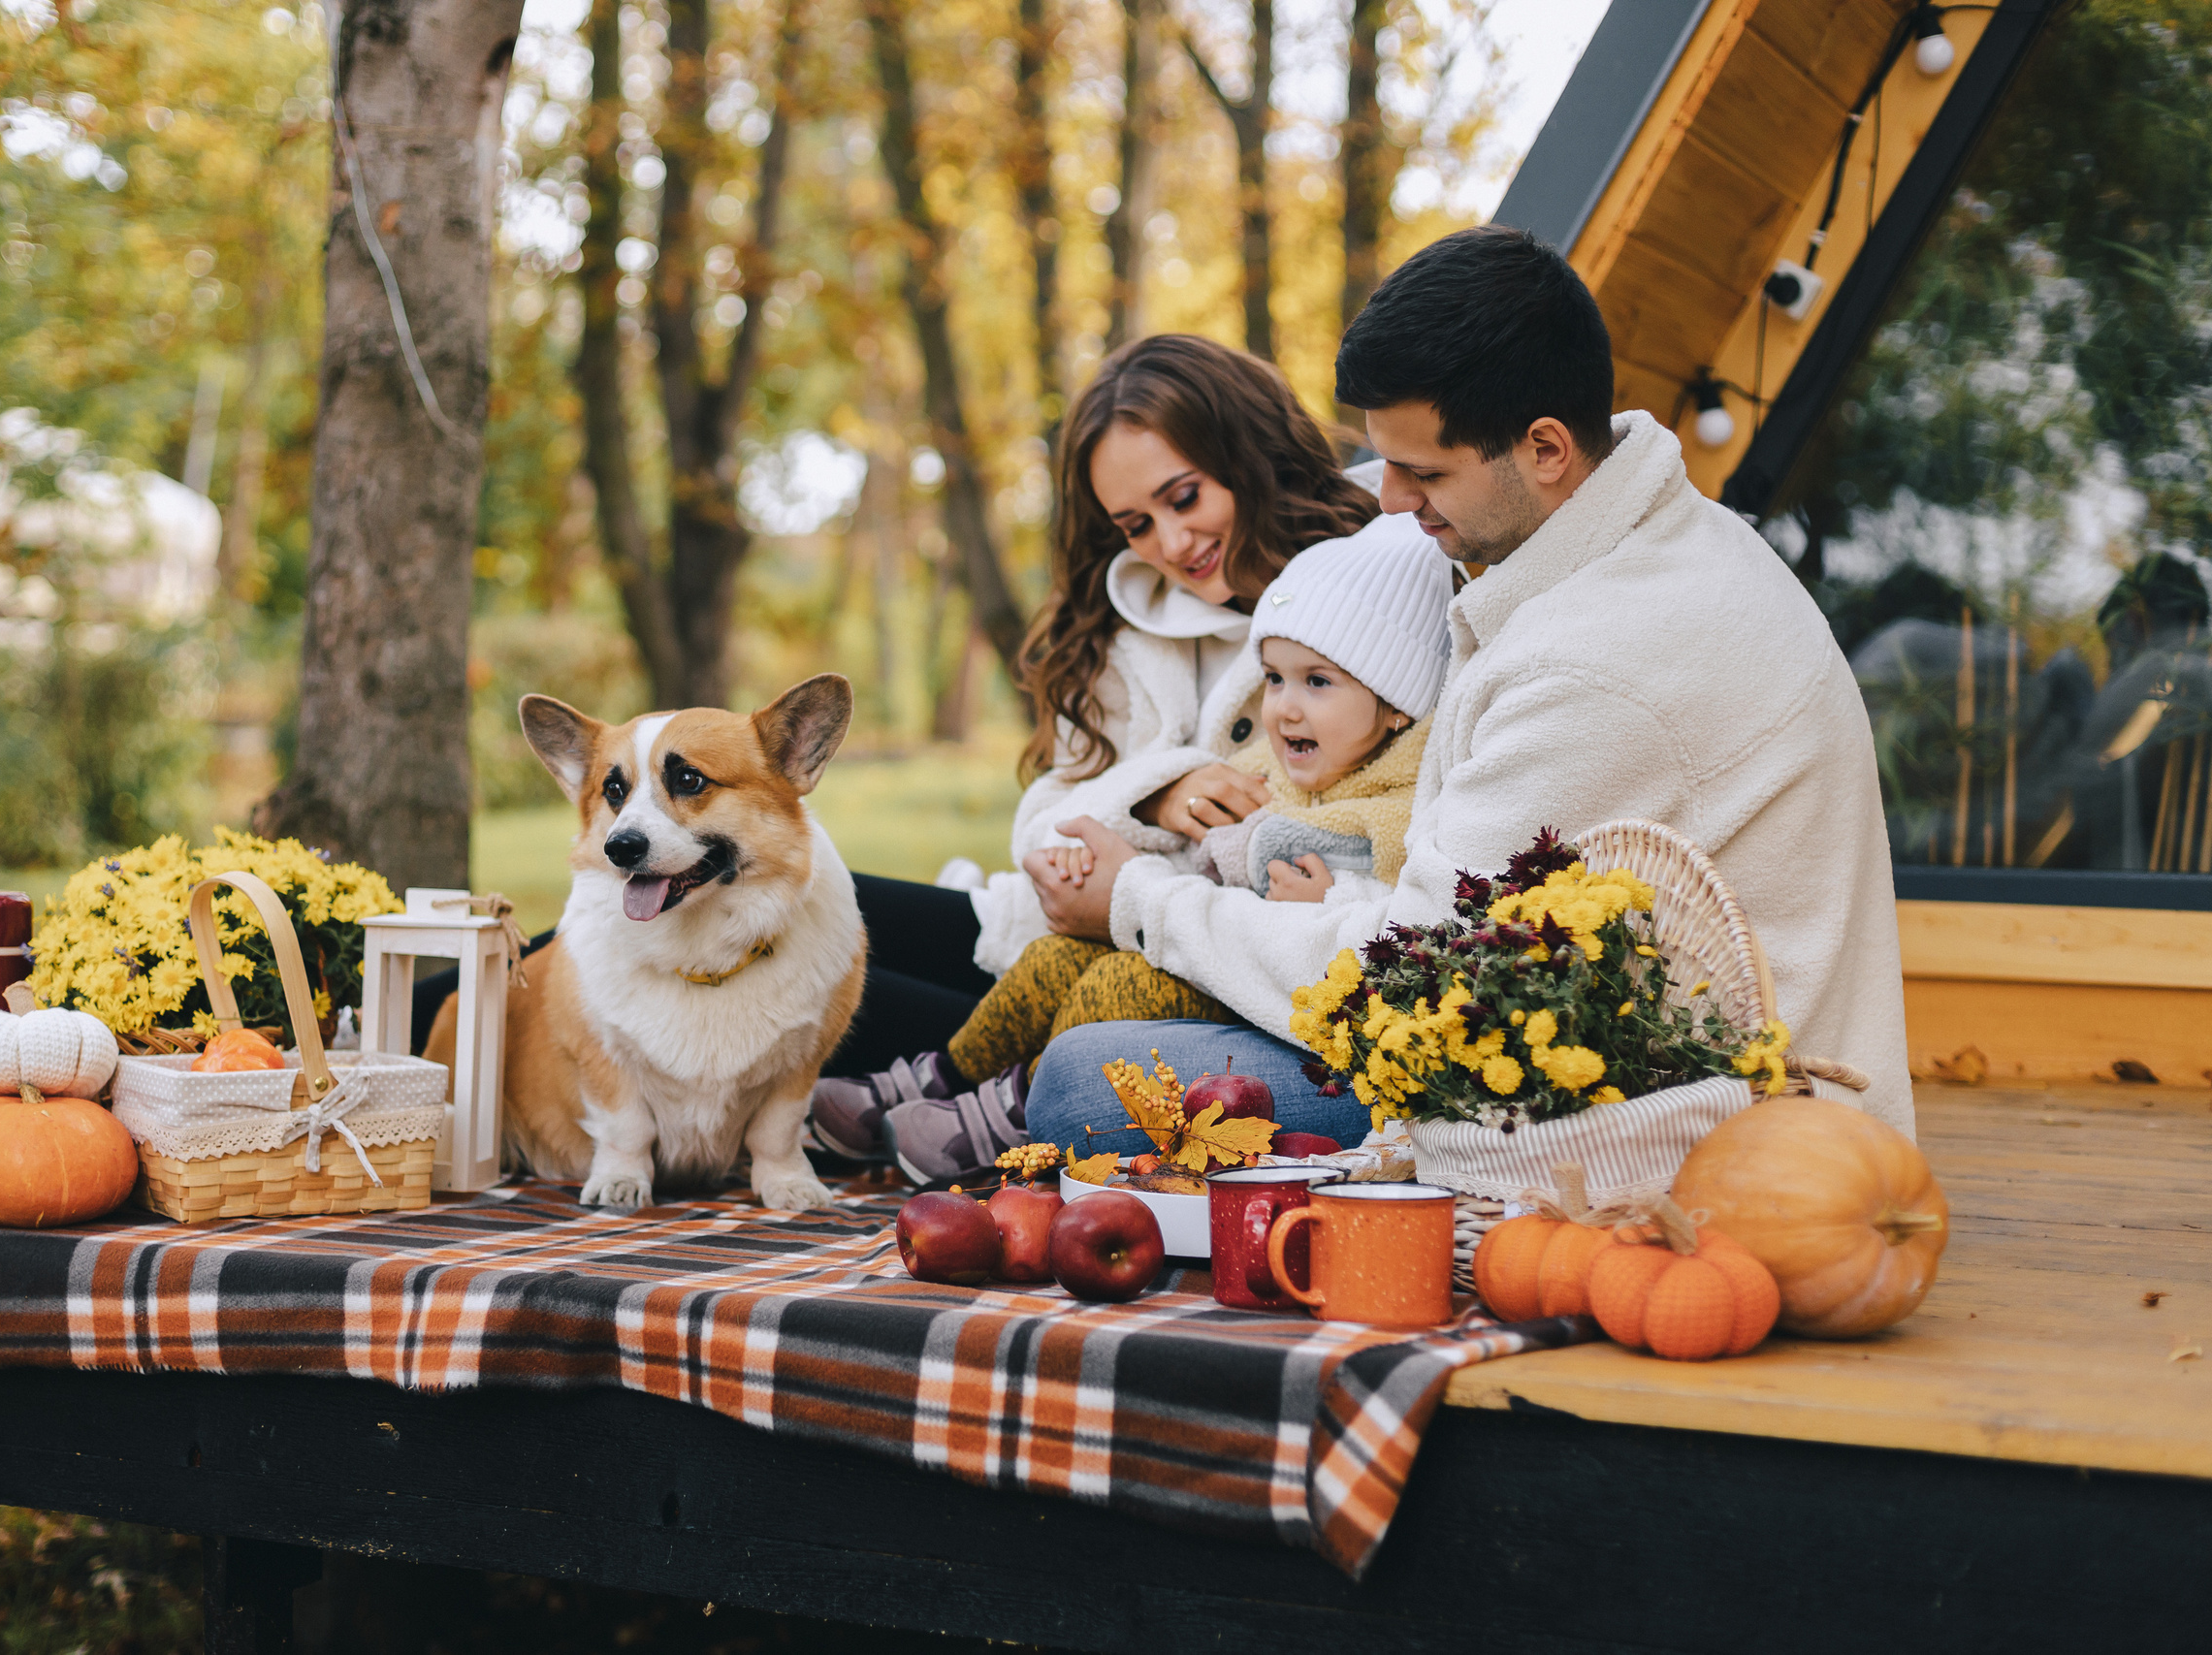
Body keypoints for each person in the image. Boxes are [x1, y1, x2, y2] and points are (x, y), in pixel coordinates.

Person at [1021, 224, 1915, 1159]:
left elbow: (1409, 982)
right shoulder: (1644, 536)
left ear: (1544, 447)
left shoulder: (1594, 666)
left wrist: (1143, 903)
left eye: (1425, 472)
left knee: (1083, 1081)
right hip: (1591, 1029)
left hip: (1700, 1122)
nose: (1393, 500)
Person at [807, 334, 1435, 1169]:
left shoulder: (1375, 595)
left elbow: (1397, 820)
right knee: (768, 902)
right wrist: (1156, 794)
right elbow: (1041, 825)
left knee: (783, 977)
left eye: (1185, 497)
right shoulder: (1128, 622)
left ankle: (961, 1105)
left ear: (1245, 455)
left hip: (1183, 956)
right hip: (1038, 926)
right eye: (1137, 523)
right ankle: (935, 1087)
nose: (1172, 544)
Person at [873, 529, 1451, 1182]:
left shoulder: (1400, 803)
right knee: (1054, 957)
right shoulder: (1271, 770)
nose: (1284, 706)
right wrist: (1108, 859)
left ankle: (998, 1118)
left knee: (1116, 983)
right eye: (1273, 678)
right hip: (1207, 953)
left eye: (1317, 681)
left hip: (1274, 997)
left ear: (1396, 706)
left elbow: (1407, 918)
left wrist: (1333, 901)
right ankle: (941, 1074)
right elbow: (1190, 849)